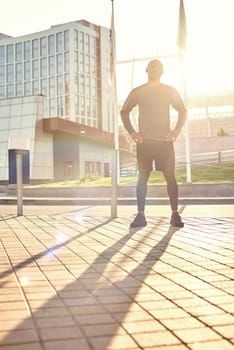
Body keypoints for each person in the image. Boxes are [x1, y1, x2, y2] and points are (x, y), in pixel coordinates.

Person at [120, 59, 187, 228]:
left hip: (165, 142)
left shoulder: (169, 90)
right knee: (142, 178)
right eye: (152, 67)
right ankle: (141, 215)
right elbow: (124, 111)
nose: (155, 69)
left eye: (158, 67)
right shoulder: (138, 91)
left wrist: (176, 130)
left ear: (163, 71)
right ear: (146, 70)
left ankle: (174, 214)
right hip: (145, 143)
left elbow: (182, 110)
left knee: (170, 177)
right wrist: (133, 132)